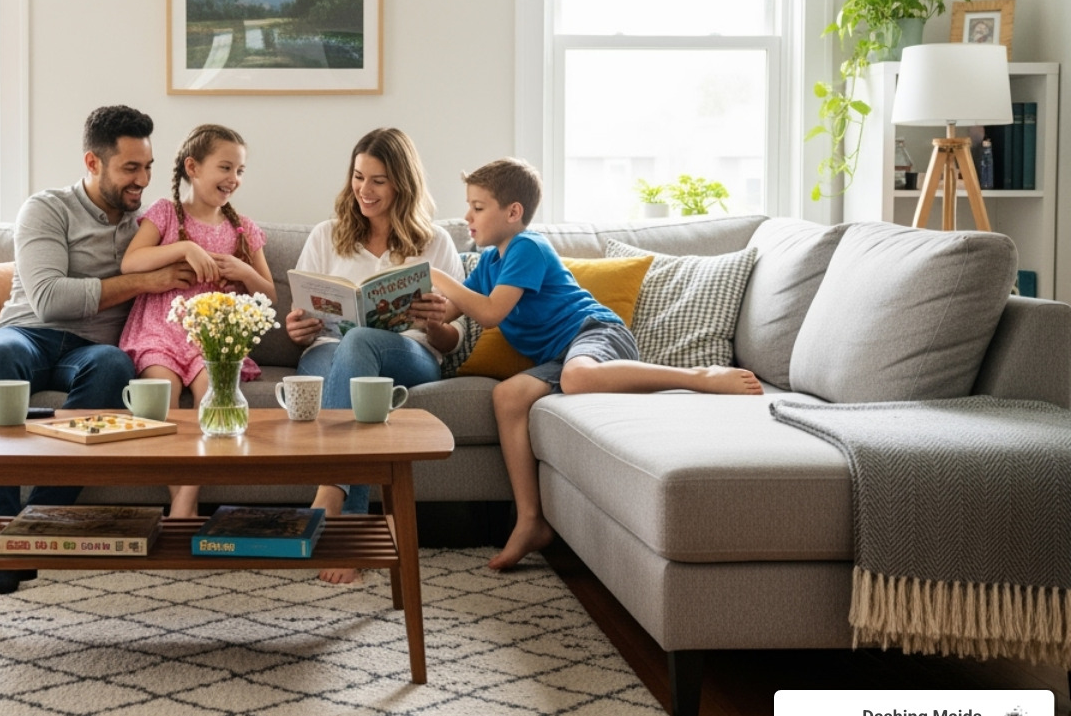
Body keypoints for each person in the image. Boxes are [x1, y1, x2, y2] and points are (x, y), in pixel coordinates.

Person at [429, 158, 762, 572]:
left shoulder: (526, 247)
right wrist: (416, 307)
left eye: (477, 207)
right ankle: (531, 520)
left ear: (513, 213)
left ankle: (700, 377)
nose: (467, 217)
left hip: (597, 332)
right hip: (558, 356)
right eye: (468, 206)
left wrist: (438, 276)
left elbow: (491, 312)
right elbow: (449, 314)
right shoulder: (491, 265)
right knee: (508, 395)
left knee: (578, 376)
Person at [0, 105, 196, 592]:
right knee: (1, 355)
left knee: (115, 364)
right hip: (26, 333)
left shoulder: (150, 225)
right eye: (130, 168)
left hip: (90, 351)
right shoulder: (46, 208)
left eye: (149, 167)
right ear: (93, 163)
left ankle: (37, 525)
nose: (143, 180)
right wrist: (144, 279)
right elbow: (49, 298)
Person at [284, 128, 463, 584]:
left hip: (409, 357)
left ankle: (333, 496)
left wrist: (435, 322)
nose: (364, 190)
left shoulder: (436, 242)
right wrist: (298, 328)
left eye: (378, 180)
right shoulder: (328, 235)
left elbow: (453, 341)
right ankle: (357, 526)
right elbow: (302, 326)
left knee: (361, 340)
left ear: (402, 183)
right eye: (358, 177)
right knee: (352, 349)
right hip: (328, 353)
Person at [119, 123, 276, 517]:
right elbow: (130, 263)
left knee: (215, 398)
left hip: (213, 338)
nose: (233, 179)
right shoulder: (165, 214)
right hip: (160, 330)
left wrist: (242, 270)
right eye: (225, 168)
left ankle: (184, 500)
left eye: (240, 171)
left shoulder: (243, 230)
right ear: (193, 167)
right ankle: (183, 503)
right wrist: (183, 248)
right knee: (163, 397)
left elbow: (270, 296)